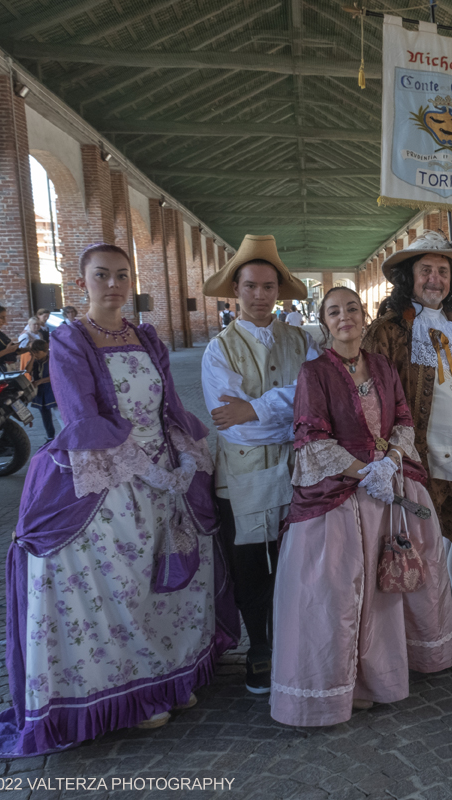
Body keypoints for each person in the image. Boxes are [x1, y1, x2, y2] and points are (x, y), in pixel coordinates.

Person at [0, 243, 237, 758]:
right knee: (120, 583)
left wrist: (182, 453)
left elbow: (167, 404)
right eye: (102, 275)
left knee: (165, 583)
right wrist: (142, 465)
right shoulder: (70, 341)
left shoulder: (146, 336)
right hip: (106, 476)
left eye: (121, 275)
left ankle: (166, 680)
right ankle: (130, 695)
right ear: (82, 282)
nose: (113, 284)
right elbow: (81, 415)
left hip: (160, 473)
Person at [271, 286, 452, 725]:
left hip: (389, 487)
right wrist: (363, 471)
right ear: (325, 321)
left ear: (363, 314)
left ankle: (388, 670)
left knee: (388, 588)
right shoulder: (314, 373)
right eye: (334, 311)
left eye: (351, 308)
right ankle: (345, 684)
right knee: (342, 593)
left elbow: (404, 419)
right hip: (340, 498)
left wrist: (390, 461)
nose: (345, 317)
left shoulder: (382, 366)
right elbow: (311, 438)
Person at [200, 234, 318, 695]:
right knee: (251, 566)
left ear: (279, 291)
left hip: (298, 472)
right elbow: (233, 427)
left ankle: (298, 641)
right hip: (244, 475)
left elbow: (314, 401)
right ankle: (261, 648)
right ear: (236, 290)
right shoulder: (218, 350)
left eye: (268, 286)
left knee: (298, 560)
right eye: (250, 286)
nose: (260, 295)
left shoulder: (301, 341)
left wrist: (256, 406)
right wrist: (286, 417)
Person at [364, 231, 452, 649]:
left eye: (442, 271)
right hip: (419, 460)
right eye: (426, 271)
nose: (435, 279)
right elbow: (371, 396)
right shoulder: (388, 332)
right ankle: (417, 631)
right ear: (409, 277)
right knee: (418, 543)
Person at [26, 339, 59, 442]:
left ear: (45, 351)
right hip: (40, 391)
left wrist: (40, 381)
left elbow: (55, 376)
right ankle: (50, 436)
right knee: (45, 415)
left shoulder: (51, 360)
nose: (36, 355)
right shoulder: (35, 361)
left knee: (58, 413)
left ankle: (65, 432)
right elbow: (27, 370)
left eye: (38, 352)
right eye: (34, 352)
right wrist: (32, 359)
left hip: (51, 389)